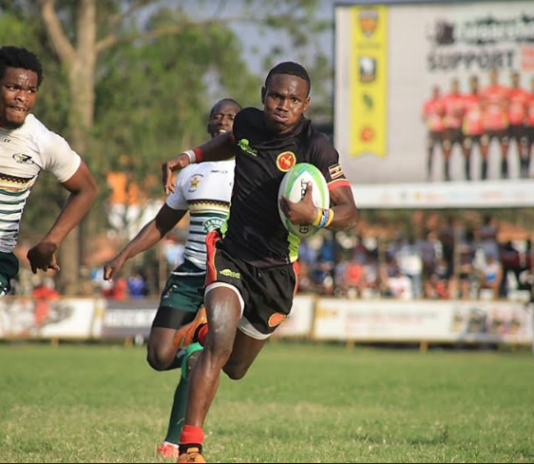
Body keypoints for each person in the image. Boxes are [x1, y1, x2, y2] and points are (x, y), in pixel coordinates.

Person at [162, 62, 358, 463]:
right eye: (276, 96)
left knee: (235, 367)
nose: (283, 105)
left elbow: (350, 211)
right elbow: (230, 142)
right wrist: (190, 156)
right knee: (220, 342)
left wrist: (317, 215)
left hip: (277, 272)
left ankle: (202, 337)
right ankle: (190, 448)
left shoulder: (317, 147)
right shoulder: (248, 122)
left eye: (293, 100)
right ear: (263, 94)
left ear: (306, 104)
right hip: (232, 253)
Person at [103, 99, 241, 459]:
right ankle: (197, 347)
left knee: (198, 360)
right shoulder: (192, 174)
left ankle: (176, 440)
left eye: (232, 117)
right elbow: (162, 224)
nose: (224, 120)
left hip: (224, 279)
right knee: (159, 355)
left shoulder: (249, 171)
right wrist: (123, 255)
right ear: (209, 126)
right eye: (218, 116)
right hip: (188, 274)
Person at [0, 46, 97, 294]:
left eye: (30, 91)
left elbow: (86, 189)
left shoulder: (43, 141)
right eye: (13, 87)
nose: (22, 97)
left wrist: (51, 241)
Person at [480, 69, 510, 179]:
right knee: (485, 150)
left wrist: (500, 104)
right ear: (490, 77)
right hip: (488, 126)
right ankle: (484, 174)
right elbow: (481, 106)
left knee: (504, 149)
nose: (493, 77)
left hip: (501, 125)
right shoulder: (485, 91)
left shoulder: (503, 90)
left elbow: (507, 104)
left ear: (497, 76)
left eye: (495, 75)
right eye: (491, 75)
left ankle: (504, 173)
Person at [507, 72, 530, 178]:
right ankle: (506, 172)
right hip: (510, 124)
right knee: (506, 148)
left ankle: (523, 170)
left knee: (522, 148)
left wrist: (525, 119)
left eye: (516, 78)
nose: (515, 80)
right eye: (513, 78)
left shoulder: (523, 93)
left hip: (520, 124)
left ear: (519, 79)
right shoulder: (508, 93)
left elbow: (527, 108)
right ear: (511, 79)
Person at [441, 79, 464, 181]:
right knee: (447, 151)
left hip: (460, 128)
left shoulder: (462, 98)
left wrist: (460, 114)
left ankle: (466, 174)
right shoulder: (446, 98)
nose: (456, 88)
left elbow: (467, 111)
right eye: (454, 86)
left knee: (466, 150)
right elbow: (441, 112)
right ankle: (446, 175)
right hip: (449, 128)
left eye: (457, 86)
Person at [462, 76, 484, 181]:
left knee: (483, 153)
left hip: (481, 131)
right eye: (472, 83)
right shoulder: (466, 99)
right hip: (469, 131)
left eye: (476, 83)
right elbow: (462, 114)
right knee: (467, 154)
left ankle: (483, 176)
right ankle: (467, 177)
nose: (474, 85)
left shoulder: (482, 98)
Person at [422, 86, 445, 180]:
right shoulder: (428, 103)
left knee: (445, 152)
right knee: (430, 152)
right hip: (432, 131)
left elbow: (448, 114)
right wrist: (428, 121)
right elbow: (423, 116)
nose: (436, 94)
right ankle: (429, 175)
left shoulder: (443, 103)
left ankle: (445, 175)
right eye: (434, 92)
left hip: (442, 131)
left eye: (437, 92)